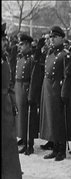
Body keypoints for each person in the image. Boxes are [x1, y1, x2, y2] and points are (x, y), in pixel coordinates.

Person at [40, 26, 71, 161]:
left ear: (61, 38)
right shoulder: (50, 52)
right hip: (48, 89)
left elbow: (68, 75)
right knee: (51, 119)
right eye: (51, 37)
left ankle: (61, 150)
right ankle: (54, 147)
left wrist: (64, 93)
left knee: (59, 120)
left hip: (58, 90)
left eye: (54, 37)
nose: (52, 39)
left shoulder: (65, 54)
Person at [1, 22, 22, 179]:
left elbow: (8, 84)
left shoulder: (3, 57)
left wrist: (13, 101)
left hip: (5, 108)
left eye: (4, 39)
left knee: (8, 145)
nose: (4, 42)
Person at [15, 33, 39, 155]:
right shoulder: (20, 57)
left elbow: (34, 77)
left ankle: (29, 142)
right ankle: (23, 137)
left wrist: (31, 91)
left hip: (27, 87)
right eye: (20, 44)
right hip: (18, 87)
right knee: (21, 115)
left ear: (29, 45)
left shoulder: (32, 58)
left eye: (23, 44)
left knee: (28, 116)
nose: (20, 46)